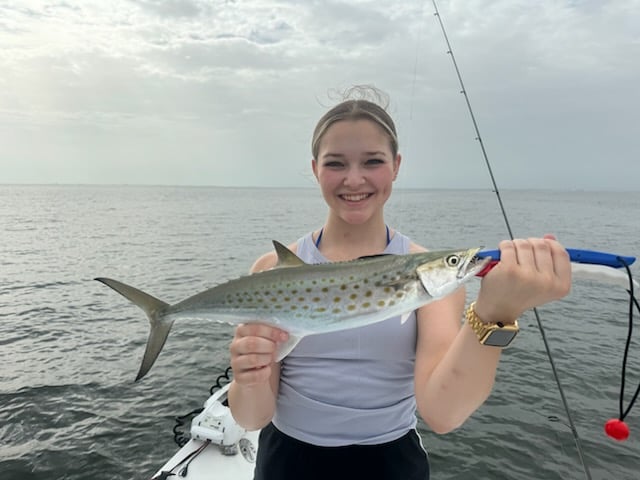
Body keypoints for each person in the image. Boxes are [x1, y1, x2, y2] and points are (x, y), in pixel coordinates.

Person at [227, 86, 571, 480]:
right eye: (335, 163)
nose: (354, 179)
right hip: (287, 461)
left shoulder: (434, 277)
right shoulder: (272, 270)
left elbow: (443, 414)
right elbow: (251, 418)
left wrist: (497, 313)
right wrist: (249, 378)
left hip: (390, 463)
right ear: (315, 168)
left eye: (373, 161)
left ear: (396, 166)